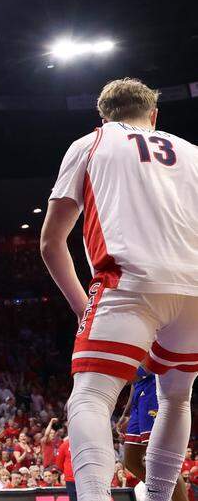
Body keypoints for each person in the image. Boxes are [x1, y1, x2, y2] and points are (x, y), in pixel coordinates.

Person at [40, 78, 198, 501]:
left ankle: (94, 496)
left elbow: (51, 242)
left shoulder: (91, 143)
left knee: (91, 397)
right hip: (194, 287)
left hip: (129, 281)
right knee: (176, 399)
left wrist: (80, 306)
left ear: (103, 116)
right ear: (154, 115)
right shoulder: (193, 152)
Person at [120, 367, 188, 501]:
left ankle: (170, 495)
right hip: (139, 393)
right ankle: (163, 494)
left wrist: (114, 373)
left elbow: (140, 371)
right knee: (131, 461)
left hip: (153, 389)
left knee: (162, 463)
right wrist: (126, 412)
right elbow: (134, 381)